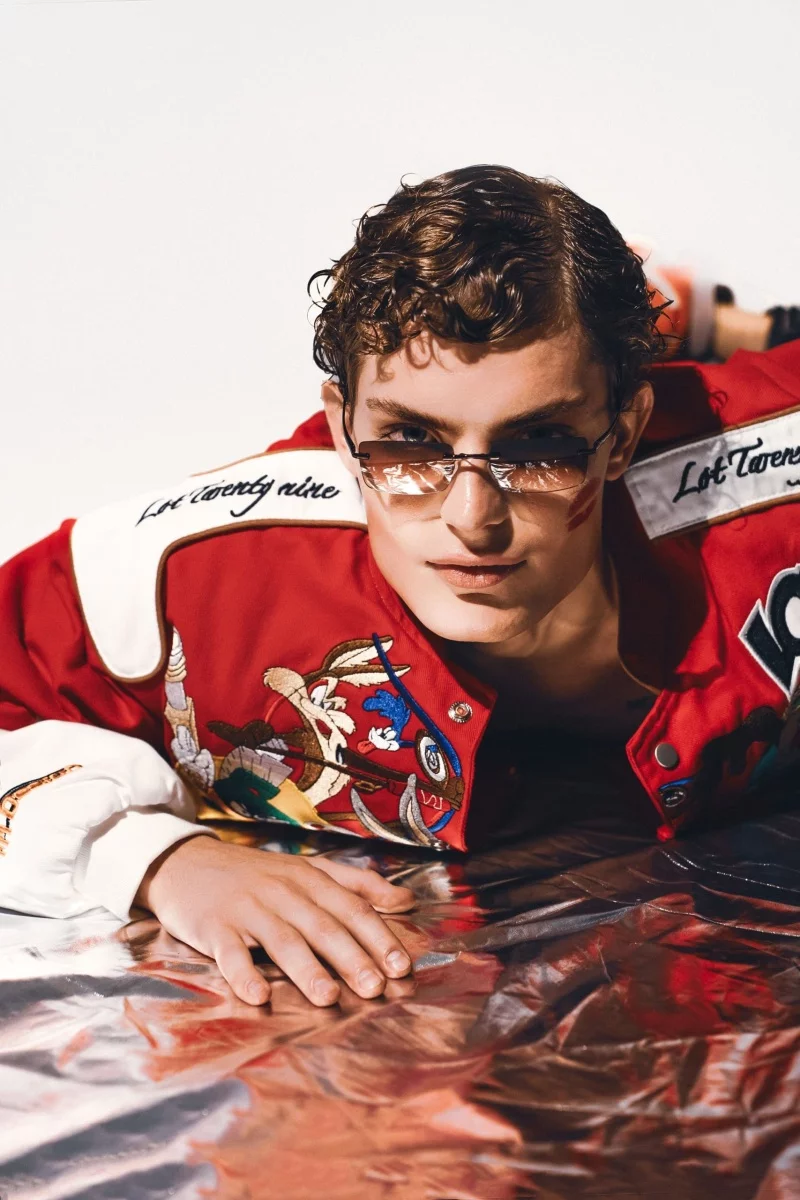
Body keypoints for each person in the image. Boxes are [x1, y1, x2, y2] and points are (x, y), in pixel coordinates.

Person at [1, 166, 798, 1009]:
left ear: (624, 434)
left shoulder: (767, 498)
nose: (471, 517)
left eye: (540, 445)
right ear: (342, 428)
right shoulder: (193, 568)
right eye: (410, 442)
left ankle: (684, 316)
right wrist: (155, 860)